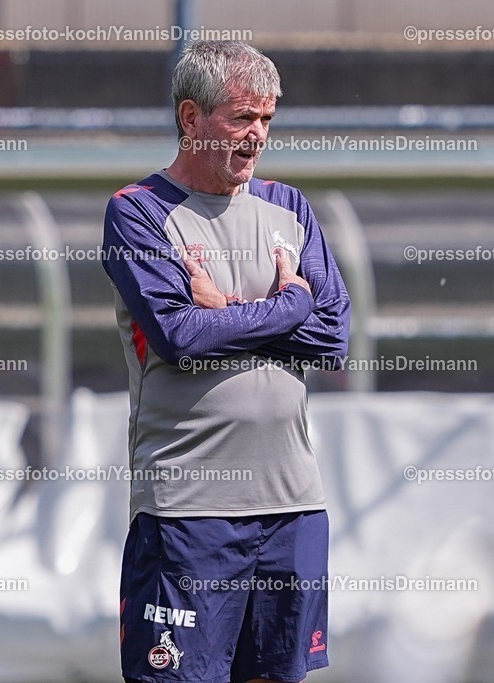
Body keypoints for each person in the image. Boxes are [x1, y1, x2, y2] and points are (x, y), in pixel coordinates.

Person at [102, 40, 351, 683]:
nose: (257, 136)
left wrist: (232, 311)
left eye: (267, 120)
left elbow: (331, 335)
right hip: (189, 511)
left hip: (292, 506)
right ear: (191, 119)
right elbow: (180, 337)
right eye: (243, 118)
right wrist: (285, 304)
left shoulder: (289, 208)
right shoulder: (138, 213)